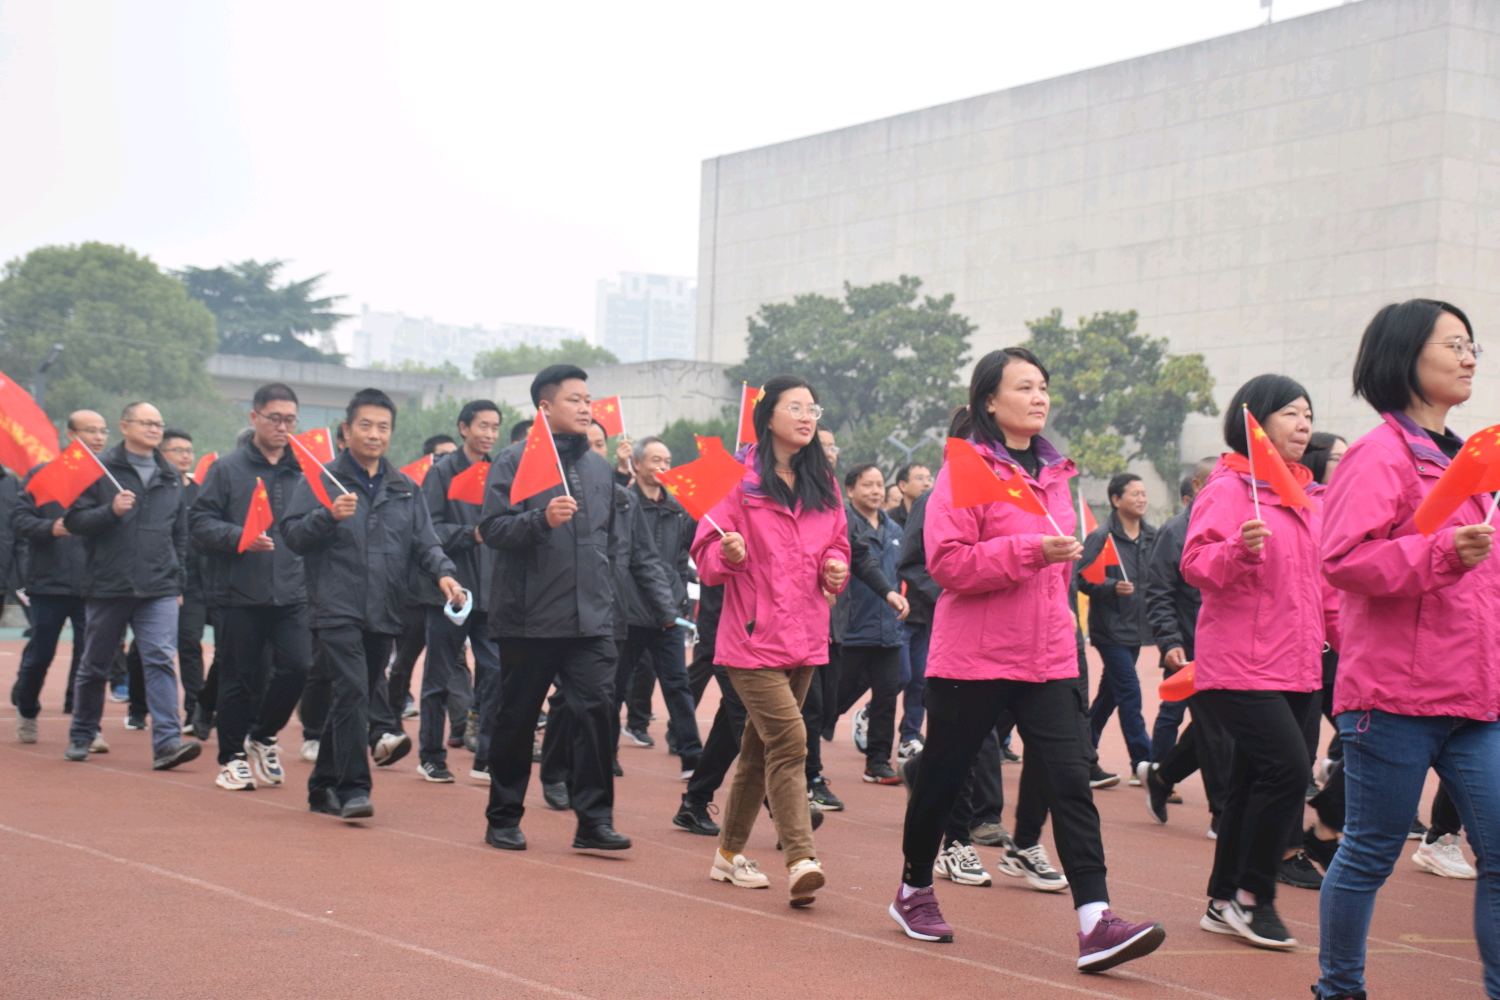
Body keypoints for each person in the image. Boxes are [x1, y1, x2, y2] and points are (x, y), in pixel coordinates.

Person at [891, 348, 1165, 973]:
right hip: (974, 657)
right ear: (989, 401)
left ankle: (1095, 920)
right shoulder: (964, 471)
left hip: (1047, 657)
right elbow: (947, 564)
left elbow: (1057, 570)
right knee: (943, 779)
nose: (1039, 397)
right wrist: (1031, 551)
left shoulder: (1055, 476)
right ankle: (913, 889)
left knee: (1070, 782)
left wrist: (1060, 600)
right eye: (1024, 387)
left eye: (1043, 386)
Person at [1316, 299, 1500, 1000]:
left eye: (1472, 344)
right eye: (1454, 344)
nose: (1470, 356)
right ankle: (1340, 989)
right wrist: (1443, 551)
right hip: (1395, 696)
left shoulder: (1473, 461)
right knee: (1370, 851)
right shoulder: (1379, 454)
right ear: (1405, 356)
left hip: (1477, 698)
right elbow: (1344, 561)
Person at [1181, 373, 1332, 951]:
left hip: (1298, 662)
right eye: (1291, 413)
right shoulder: (1229, 488)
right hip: (1241, 663)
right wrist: (1237, 551)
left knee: (1251, 781)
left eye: (1308, 414)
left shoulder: (1307, 498)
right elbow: (1195, 565)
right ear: (1257, 421)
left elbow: (1321, 587)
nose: (1303, 425)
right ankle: (1254, 896)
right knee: (1288, 772)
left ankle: (1223, 900)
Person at [691, 375, 849, 907]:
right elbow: (705, 558)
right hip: (752, 639)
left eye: (813, 409)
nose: (806, 417)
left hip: (805, 635)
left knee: (758, 752)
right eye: (795, 407)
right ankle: (801, 858)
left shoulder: (823, 483)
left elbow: (839, 545)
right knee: (790, 741)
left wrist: (835, 567)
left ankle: (727, 855)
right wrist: (727, 553)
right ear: (769, 416)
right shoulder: (738, 481)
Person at [282, 388, 462, 821]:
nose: (374, 434)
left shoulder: (405, 489)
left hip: (385, 608)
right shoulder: (323, 480)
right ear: (347, 430)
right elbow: (293, 536)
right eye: (365, 425)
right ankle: (354, 788)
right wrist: (328, 516)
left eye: (383, 427)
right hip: (335, 605)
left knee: (352, 696)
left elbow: (425, 542)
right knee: (353, 690)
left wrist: (444, 574)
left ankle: (321, 786)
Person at [478, 365, 630, 853]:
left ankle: (594, 821)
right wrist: (540, 520)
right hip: (530, 617)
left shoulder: (599, 468)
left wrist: (607, 602)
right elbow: (493, 529)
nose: (586, 408)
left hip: (591, 620)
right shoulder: (513, 460)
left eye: (588, 399)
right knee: (517, 720)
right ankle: (503, 817)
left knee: (598, 713)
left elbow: (609, 542)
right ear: (544, 407)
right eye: (574, 400)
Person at [190, 384, 314, 791]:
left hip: (292, 591)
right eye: (274, 418)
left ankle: (262, 735)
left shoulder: (305, 470)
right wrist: (238, 537)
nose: (282, 426)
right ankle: (231, 759)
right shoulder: (227, 469)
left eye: (290, 419)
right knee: (238, 679)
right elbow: (199, 523)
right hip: (238, 592)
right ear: (254, 417)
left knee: (300, 667)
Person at [63, 403, 200, 770]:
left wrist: (177, 581)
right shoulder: (99, 468)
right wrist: (111, 510)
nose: (154, 429)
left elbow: (179, 535)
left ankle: (167, 742)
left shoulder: (170, 475)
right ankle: (82, 733)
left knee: (160, 659)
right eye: (146, 423)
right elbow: (74, 521)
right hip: (109, 584)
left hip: (159, 586)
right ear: (125, 426)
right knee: (96, 664)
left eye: (158, 423)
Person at [1140, 458, 1233, 836]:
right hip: (1190, 649)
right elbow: (1158, 591)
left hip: (1231, 648)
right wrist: (1170, 641)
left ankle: (1162, 777)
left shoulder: (1234, 525)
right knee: (1218, 730)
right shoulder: (1176, 530)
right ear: (1197, 485)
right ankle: (1223, 814)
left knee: (1217, 727)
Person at [416, 401, 503, 784]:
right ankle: (431, 756)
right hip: (452, 590)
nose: (489, 434)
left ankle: (485, 756)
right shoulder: (441, 472)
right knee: (439, 677)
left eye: (495, 427)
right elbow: (427, 530)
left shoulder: (499, 471)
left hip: (491, 593)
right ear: (463, 428)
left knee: (496, 671)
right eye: (483, 425)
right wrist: (471, 534)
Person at [11, 410, 106, 744]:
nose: (98, 437)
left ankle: (86, 725)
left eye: (103, 431)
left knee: (90, 657)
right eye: (90, 430)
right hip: (49, 582)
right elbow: (19, 520)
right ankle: (27, 709)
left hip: (94, 583)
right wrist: (49, 527)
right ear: (71, 435)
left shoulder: (108, 478)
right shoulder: (44, 475)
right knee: (41, 653)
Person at [621, 436, 703, 775]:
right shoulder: (624, 503)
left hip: (667, 615)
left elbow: (682, 557)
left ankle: (692, 756)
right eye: (655, 460)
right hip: (630, 613)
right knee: (614, 687)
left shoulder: (676, 507)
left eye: (667, 461)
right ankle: (604, 755)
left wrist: (678, 599)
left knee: (678, 685)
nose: (663, 467)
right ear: (637, 464)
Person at [833, 463, 910, 784]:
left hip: (889, 630)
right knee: (833, 697)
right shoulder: (843, 524)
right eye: (868, 485)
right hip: (852, 629)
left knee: (886, 698)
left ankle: (877, 762)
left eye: (879, 484)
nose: (876, 491)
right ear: (850, 490)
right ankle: (807, 754)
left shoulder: (895, 530)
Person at [1077, 473, 1156, 777]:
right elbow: (1081, 578)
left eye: (1144, 493)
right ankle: (1144, 764)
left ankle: (1083, 753)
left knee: (1110, 696)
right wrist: (1110, 586)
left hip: (1138, 629)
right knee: (1130, 693)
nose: (1142, 499)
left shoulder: (1152, 536)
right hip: (1109, 631)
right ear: (1116, 499)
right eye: (1135, 494)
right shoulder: (1102, 536)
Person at [388, 433, 466, 729]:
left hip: (446, 590)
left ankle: (460, 726)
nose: (447, 462)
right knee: (404, 660)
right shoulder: (410, 490)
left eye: (451, 455)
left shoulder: (460, 493)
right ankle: (389, 719)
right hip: (414, 593)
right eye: (440, 456)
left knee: (456, 661)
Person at [889, 463, 932, 529]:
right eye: (920, 478)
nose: (927, 484)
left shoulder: (935, 516)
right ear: (903, 485)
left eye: (929, 479)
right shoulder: (890, 519)